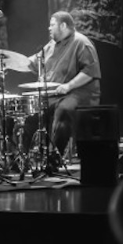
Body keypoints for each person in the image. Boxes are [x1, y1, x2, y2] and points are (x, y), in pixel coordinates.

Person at [28, 11, 101, 161]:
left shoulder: (81, 42)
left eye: (52, 25)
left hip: (80, 93)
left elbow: (90, 72)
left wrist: (69, 86)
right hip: (57, 94)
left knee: (63, 110)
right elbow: (33, 62)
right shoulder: (51, 45)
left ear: (63, 25)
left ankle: (54, 157)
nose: (49, 28)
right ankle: (25, 158)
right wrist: (11, 61)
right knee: (30, 114)